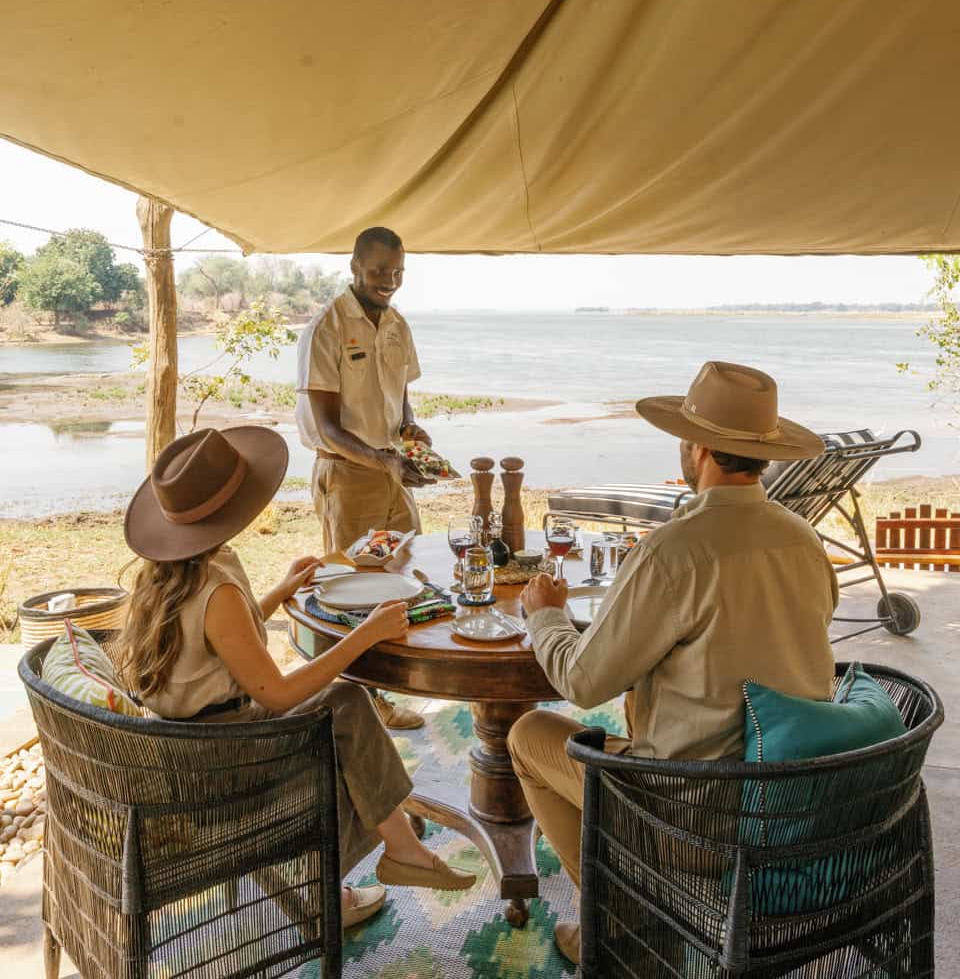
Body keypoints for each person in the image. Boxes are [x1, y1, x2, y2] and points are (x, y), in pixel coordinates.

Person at [508, 361, 838, 965]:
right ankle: (630, 909)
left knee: (529, 734)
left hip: (692, 815)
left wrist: (545, 616)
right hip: (793, 799)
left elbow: (582, 682)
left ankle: (615, 925)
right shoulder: (803, 538)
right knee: (640, 707)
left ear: (698, 448)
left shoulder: (672, 551)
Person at [120, 425, 475, 931]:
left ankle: (392, 845)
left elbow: (222, 642)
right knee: (346, 707)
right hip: (225, 762)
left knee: (346, 723)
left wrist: (280, 591)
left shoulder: (165, 576)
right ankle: (368, 865)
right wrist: (367, 634)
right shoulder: (216, 590)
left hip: (185, 753)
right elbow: (279, 693)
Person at [296, 226, 432, 730]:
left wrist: (409, 430)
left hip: (391, 469)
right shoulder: (326, 328)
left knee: (406, 572)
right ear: (354, 266)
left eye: (397, 272)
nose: (389, 281)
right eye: (378, 271)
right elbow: (327, 427)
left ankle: (391, 686)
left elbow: (399, 397)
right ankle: (362, 705)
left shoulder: (397, 325)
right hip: (349, 474)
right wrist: (382, 460)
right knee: (353, 587)